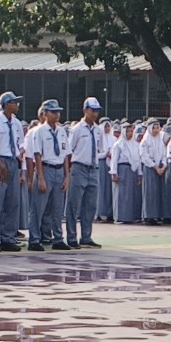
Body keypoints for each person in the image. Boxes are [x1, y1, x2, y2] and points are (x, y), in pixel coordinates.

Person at [28, 99, 71, 250]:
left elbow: (66, 155)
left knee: (58, 208)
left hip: (59, 169)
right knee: (38, 207)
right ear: (45, 113)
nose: (56, 115)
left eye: (58, 112)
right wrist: (40, 177)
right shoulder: (39, 131)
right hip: (45, 168)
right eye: (53, 112)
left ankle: (58, 238)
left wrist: (67, 176)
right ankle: (34, 239)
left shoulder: (61, 131)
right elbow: (37, 155)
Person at [0, 92, 24, 252]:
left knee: (12, 202)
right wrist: (1, 165)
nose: (17, 106)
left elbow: (21, 143)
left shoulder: (17, 123)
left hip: (13, 161)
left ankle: (8, 238)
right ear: (7, 104)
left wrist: (21, 153)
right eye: (14, 102)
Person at [65, 96, 104, 248]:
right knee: (74, 204)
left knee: (90, 205)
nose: (95, 114)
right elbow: (69, 151)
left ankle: (86, 236)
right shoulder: (76, 130)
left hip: (93, 168)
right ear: (85, 110)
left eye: (97, 111)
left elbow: (100, 148)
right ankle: (72, 237)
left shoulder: (98, 130)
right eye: (92, 110)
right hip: (79, 167)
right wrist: (68, 173)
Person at [141, 119, 170, 226]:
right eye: (153, 127)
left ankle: (157, 215)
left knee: (158, 193)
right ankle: (148, 216)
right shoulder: (145, 141)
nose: (156, 130)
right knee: (150, 192)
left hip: (160, 169)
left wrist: (163, 166)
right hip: (150, 168)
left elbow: (163, 154)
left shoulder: (160, 140)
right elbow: (144, 156)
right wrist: (155, 167)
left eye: (157, 128)